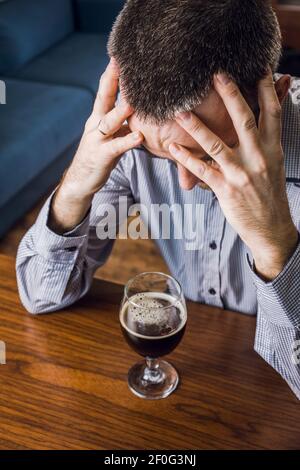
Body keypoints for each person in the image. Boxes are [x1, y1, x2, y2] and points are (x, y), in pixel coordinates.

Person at [16, 0, 300, 398]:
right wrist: (75, 185)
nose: (184, 183)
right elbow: (40, 295)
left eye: (206, 154)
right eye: (160, 157)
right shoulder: (133, 135)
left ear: (279, 94)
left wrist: (276, 244)